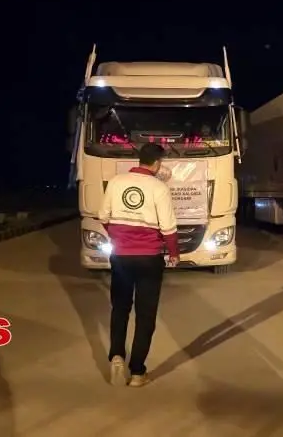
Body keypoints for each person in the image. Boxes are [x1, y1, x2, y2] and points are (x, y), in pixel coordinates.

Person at [98, 142, 179, 387]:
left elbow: (103, 217)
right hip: (149, 258)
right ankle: (137, 373)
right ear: (157, 164)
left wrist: (119, 238)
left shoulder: (116, 182)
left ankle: (116, 356)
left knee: (120, 308)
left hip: (121, 257)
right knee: (145, 315)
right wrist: (174, 253)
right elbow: (168, 227)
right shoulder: (159, 187)